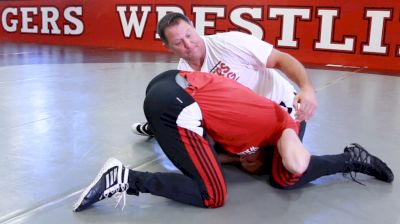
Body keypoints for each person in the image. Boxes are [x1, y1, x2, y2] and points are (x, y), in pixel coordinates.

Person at [73, 70, 393, 212]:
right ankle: (126, 179)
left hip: (169, 86)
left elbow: (209, 151)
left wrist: (160, 127)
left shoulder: (241, 144)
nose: (250, 165)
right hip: (178, 104)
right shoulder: (280, 123)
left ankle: (154, 128)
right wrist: (290, 132)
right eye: (258, 163)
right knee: (212, 193)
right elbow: (294, 162)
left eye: (249, 164)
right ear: (270, 150)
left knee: (279, 178)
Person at [132, 12, 317, 140]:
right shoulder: (184, 75)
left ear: (193, 26)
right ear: (167, 47)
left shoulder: (229, 43)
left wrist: (306, 88)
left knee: (286, 168)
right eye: (178, 42)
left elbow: (280, 59)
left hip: (286, 112)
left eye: (189, 35)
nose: (188, 44)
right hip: (252, 125)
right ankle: (160, 128)